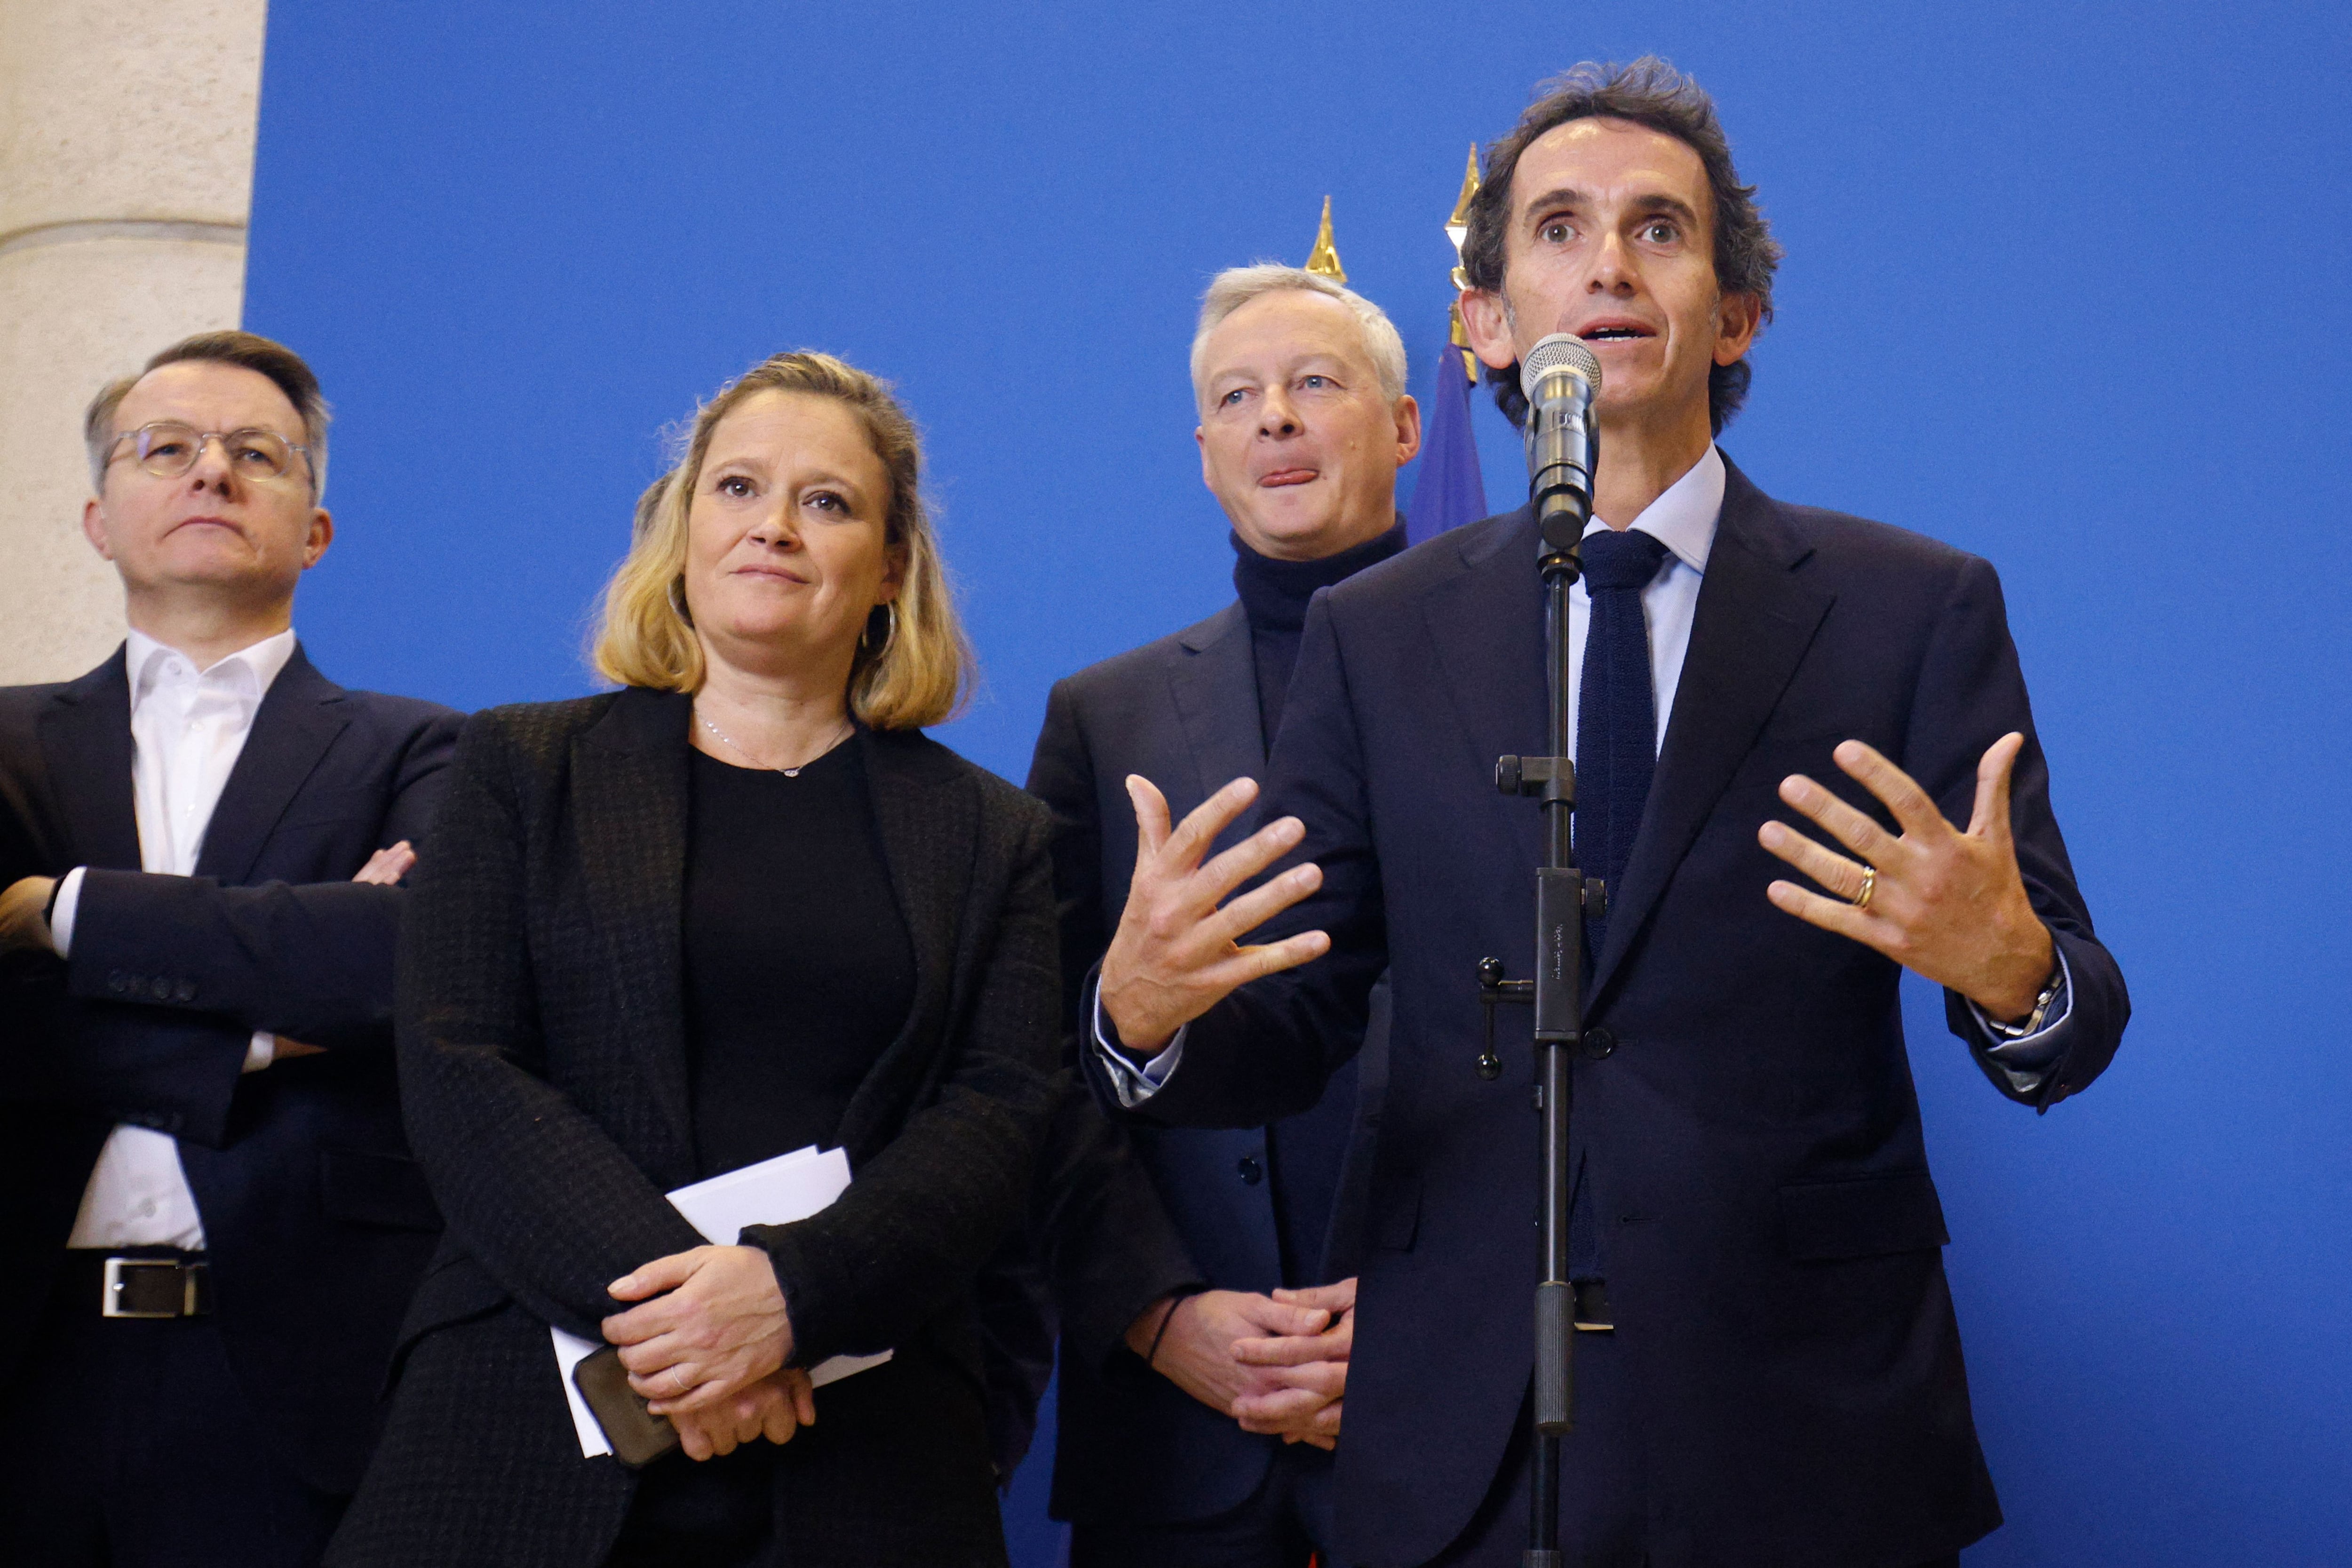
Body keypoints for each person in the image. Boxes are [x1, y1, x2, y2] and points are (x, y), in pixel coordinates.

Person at [1086, 59, 2130, 1568]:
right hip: (1462, 1424)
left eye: (1660, 230)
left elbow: (2075, 1027)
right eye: (1560, 230)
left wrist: (2012, 969)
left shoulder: (1912, 609)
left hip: (1805, 1418)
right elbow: (1294, 1027)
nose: (1610, 263)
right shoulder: (1380, 636)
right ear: (1490, 324)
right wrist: (1146, 1015)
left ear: (1736, 310)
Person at [329, 351, 1060, 1568]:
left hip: (865, 1441)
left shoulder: (997, 837)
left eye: (825, 501)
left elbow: (999, 1114)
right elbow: (460, 1064)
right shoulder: (521, 769)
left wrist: (791, 1300)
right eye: (736, 488)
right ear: (681, 529)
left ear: (890, 569)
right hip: (521, 1425)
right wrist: (697, 1320)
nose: (772, 526)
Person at [0, 331, 462, 1566]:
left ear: (314, 526)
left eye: (256, 454)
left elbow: (403, 968)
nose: (211, 472)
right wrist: (268, 1024)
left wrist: (58, 913)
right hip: (18, 1368)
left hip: (293, 1384)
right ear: (100, 519)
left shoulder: (424, 750)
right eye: (167, 449)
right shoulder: (3, 747)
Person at [1025, 264, 1421, 1566]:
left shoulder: (1537, 679)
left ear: (1407, 427)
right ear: (1204, 454)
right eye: (1238, 397)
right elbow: (1035, 1064)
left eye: (1317, 384)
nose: (1277, 420)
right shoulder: (1107, 716)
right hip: (1177, 1431)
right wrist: (1156, 1314)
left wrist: (1440, 1319)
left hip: (1469, 1406)